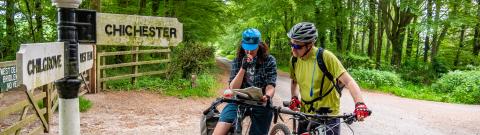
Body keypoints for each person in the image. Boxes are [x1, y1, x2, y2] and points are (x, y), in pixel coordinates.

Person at [287, 22, 370, 135]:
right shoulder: (294, 60)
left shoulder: (325, 57)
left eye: (297, 46)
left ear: (310, 44)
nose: (293, 49)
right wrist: (294, 97)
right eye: (291, 44)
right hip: (305, 115)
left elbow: (348, 81)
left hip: (328, 118)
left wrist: (360, 104)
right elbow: (294, 81)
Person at [213, 28, 277, 135]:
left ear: (259, 44)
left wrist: (267, 96)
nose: (249, 51)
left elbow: (271, 85)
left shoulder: (269, 60)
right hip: (238, 100)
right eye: (246, 48)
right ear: (242, 44)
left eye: (252, 48)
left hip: (260, 102)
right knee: (221, 127)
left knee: (259, 131)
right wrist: (243, 68)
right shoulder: (238, 59)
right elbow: (233, 87)